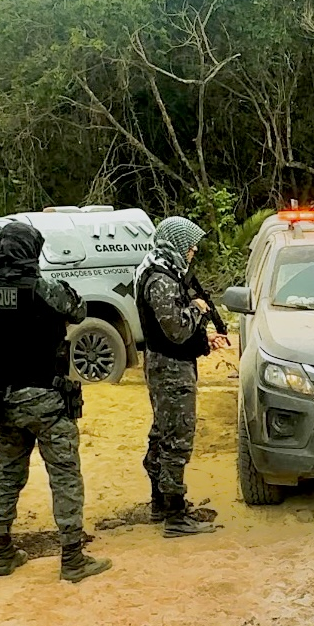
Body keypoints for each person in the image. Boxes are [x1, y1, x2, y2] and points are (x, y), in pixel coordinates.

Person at [0, 222, 111, 583]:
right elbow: (78, 310)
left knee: (6, 474)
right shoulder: (40, 288)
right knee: (64, 476)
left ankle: (3, 553)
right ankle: (73, 559)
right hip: (45, 399)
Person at [135, 216, 230, 537]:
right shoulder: (161, 279)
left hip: (168, 363)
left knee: (164, 432)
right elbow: (176, 329)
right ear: (175, 244)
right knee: (176, 439)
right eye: (189, 245)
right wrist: (198, 308)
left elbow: (175, 330)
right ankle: (175, 515)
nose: (193, 250)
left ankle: (161, 503)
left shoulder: (163, 272)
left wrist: (203, 341)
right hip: (170, 368)